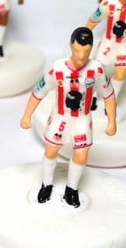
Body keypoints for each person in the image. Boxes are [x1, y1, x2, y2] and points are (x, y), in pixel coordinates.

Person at [20, 27, 117, 208]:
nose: (81, 56)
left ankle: (71, 189)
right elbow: (38, 92)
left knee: (81, 155)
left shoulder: (96, 69)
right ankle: (46, 184)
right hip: (60, 118)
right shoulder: (58, 69)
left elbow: (109, 95)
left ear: (91, 49)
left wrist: (112, 121)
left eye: (86, 52)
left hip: (82, 119)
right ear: (71, 45)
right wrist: (27, 115)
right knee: (51, 151)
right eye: (78, 50)